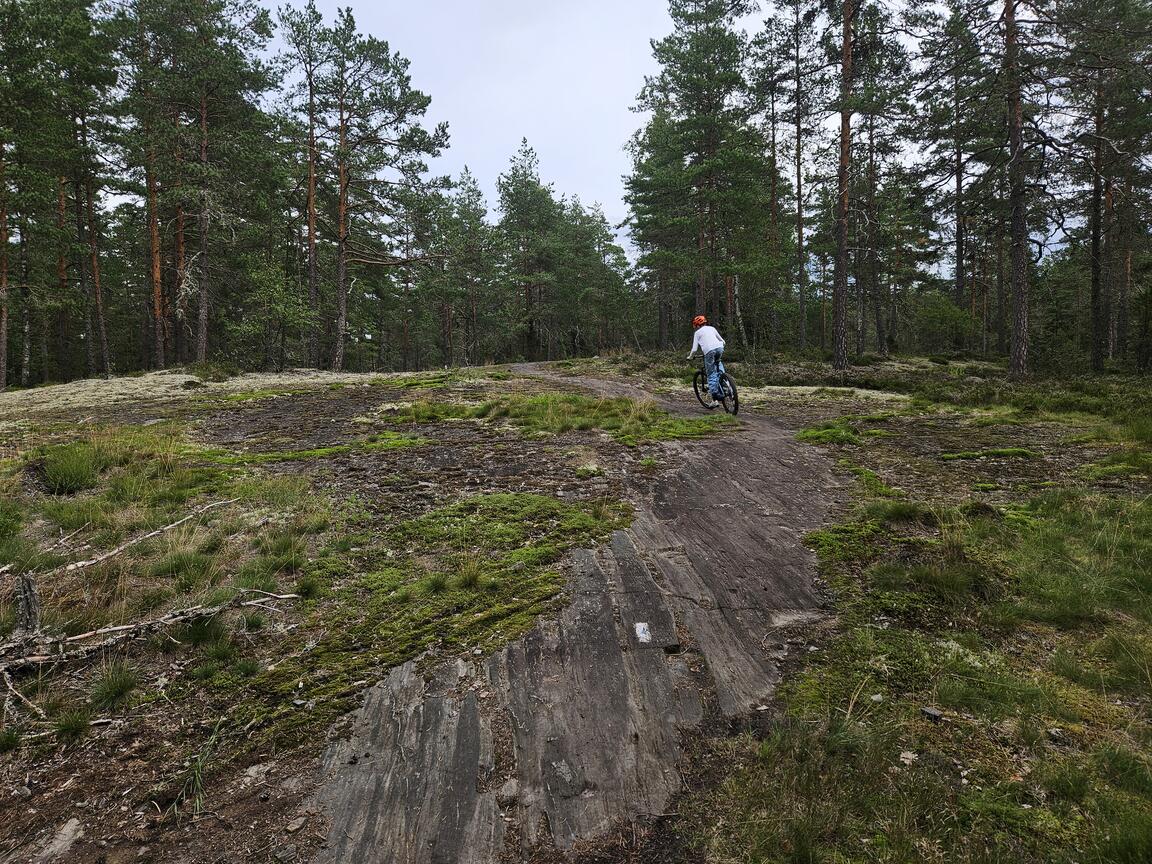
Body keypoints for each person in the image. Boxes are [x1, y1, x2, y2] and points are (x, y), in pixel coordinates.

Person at [687, 314, 726, 404]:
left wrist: (690, 357)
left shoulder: (697, 333)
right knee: (718, 365)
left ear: (697, 325)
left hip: (709, 351)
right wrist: (719, 348)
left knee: (711, 373)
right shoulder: (712, 328)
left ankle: (715, 399)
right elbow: (723, 341)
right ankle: (725, 383)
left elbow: (694, 349)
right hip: (720, 348)